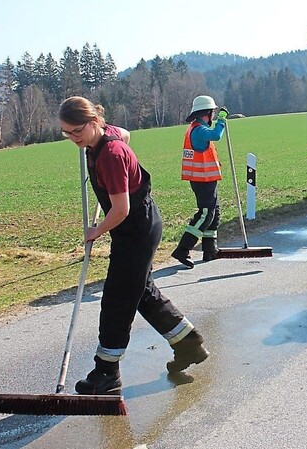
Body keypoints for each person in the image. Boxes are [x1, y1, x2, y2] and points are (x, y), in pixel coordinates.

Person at [58, 96, 209, 395]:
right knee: (141, 292)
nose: (72, 138)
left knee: (117, 298)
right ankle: (188, 343)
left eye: (76, 131)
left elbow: (121, 209)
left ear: (93, 122)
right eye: (66, 133)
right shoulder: (108, 135)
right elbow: (125, 133)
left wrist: (95, 231)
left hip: (136, 228)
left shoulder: (111, 155)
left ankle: (106, 372)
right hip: (138, 225)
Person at [171, 95, 229, 268]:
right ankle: (183, 249)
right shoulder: (199, 130)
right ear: (208, 113)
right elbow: (216, 135)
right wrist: (222, 120)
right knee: (205, 214)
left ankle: (210, 249)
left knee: (214, 213)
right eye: (213, 113)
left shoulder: (196, 128)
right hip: (202, 179)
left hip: (206, 178)